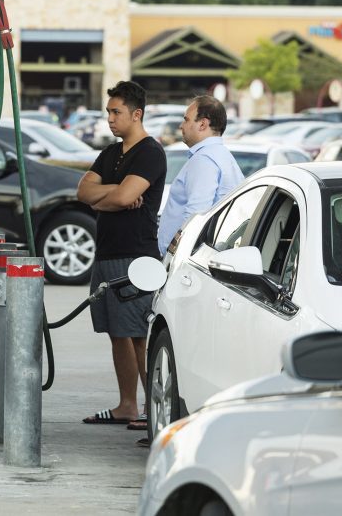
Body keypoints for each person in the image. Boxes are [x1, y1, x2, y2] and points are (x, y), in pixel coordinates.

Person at [76, 80, 166, 429]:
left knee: (138, 334)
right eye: (108, 112)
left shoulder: (150, 152)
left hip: (136, 256)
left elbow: (127, 199)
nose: (110, 119)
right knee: (116, 331)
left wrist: (112, 196)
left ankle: (153, 408)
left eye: (116, 112)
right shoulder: (112, 153)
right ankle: (127, 405)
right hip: (107, 254)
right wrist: (114, 192)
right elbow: (83, 191)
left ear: (136, 113)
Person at [157, 96, 245, 256]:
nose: (181, 125)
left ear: (203, 124)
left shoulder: (205, 159)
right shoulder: (220, 155)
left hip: (183, 261)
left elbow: (195, 215)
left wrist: (173, 258)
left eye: (186, 120)